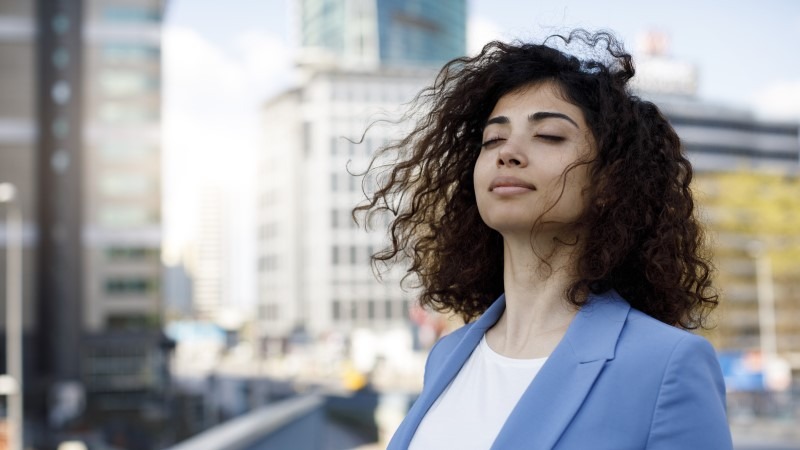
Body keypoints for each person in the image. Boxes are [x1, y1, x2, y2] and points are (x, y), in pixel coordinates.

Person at [354, 29, 732, 449]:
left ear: (611, 180)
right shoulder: (448, 355)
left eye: (549, 135)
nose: (507, 152)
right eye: (492, 139)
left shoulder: (667, 365)